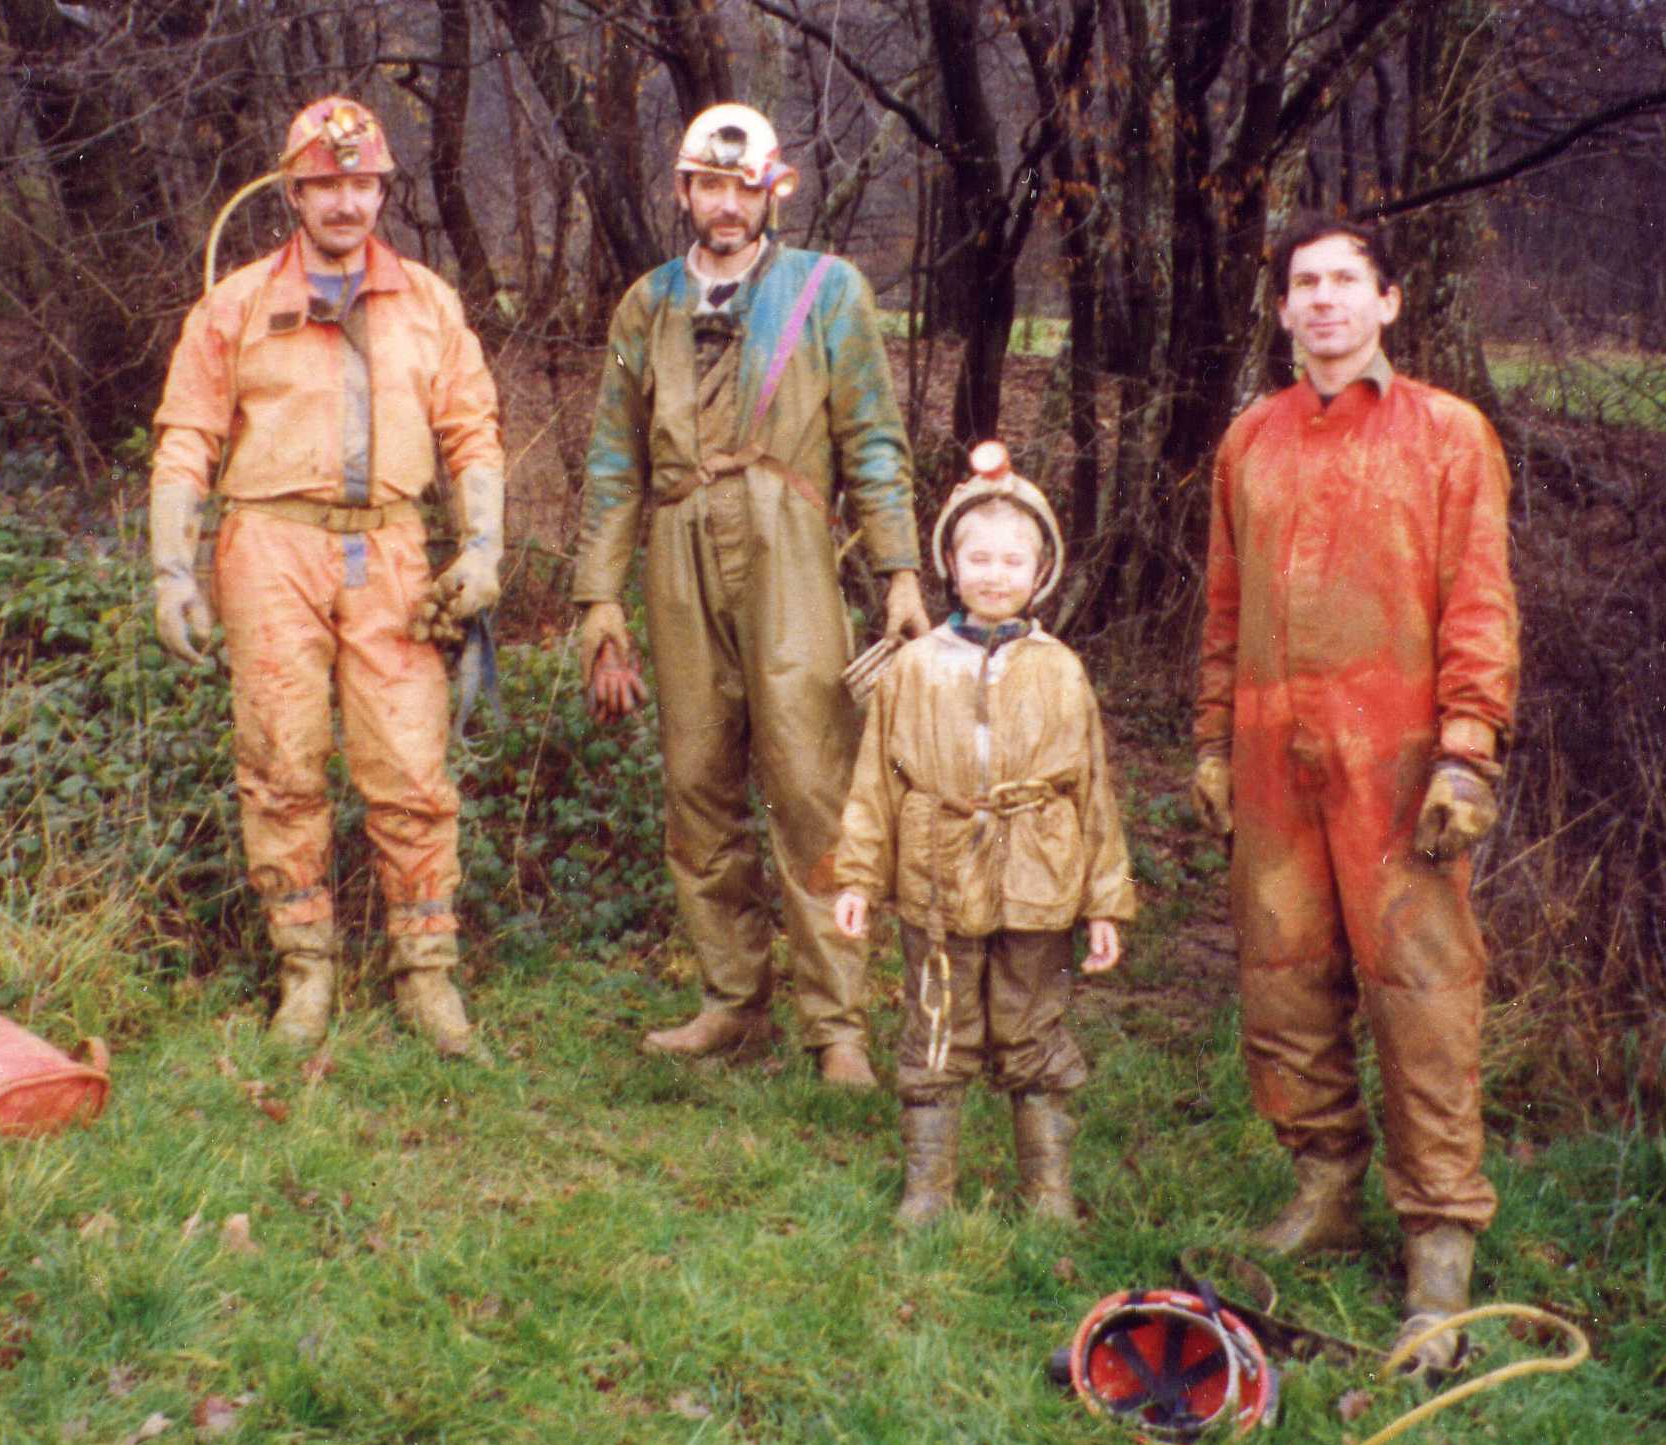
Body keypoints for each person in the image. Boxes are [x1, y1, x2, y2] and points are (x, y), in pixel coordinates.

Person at [1192, 215, 1519, 1370]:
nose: (1324, 298)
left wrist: (1467, 747)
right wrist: (1211, 741)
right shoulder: (1251, 440)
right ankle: (1326, 1184)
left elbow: (1480, 598)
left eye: (1346, 280)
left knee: (1422, 991)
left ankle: (1440, 1239)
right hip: (1272, 753)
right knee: (1282, 980)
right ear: (1282, 308)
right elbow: (1223, 607)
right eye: (1304, 282)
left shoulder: (1447, 434)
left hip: (1398, 759)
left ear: (1388, 300)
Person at [572, 103, 930, 1088]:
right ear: (682, 191)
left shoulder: (827, 290)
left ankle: (837, 1024)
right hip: (678, 547)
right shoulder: (647, 304)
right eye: (707, 186)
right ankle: (731, 1001)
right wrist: (600, 599)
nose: (724, 206)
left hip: (790, 546)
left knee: (812, 781)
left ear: (773, 193)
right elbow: (612, 460)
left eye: (742, 188)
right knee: (697, 784)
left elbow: (873, 438)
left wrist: (900, 572)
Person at [147, 96, 505, 1057]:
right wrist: (173, 569)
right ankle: (304, 972)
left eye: (363, 183)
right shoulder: (233, 306)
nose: (346, 202)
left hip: (390, 551)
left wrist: (482, 549)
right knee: (281, 764)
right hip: (269, 548)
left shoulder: (427, 302)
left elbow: (471, 432)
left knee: (412, 767)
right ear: (293, 193)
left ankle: (426, 975)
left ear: (383, 191)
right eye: (325, 184)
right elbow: (186, 437)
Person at [832, 443, 1135, 1226]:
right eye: (978, 558)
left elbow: (1093, 793)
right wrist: (857, 877)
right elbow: (874, 783)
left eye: (1011, 560)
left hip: (1040, 877)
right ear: (949, 564)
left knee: (1032, 1025)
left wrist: (1104, 902)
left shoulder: (1060, 669)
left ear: (1040, 571)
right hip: (937, 878)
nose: (994, 574)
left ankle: (1047, 1192)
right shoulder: (912, 668)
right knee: (937, 1025)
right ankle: (928, 1190)